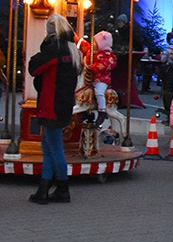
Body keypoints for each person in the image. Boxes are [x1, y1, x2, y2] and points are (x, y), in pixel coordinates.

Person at [28, 14, 82, 204]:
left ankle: (61, 186)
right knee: (48, 146)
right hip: (64, 104)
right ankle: (43, 189)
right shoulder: (72, 50)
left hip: (51, 104)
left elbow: (34, 68)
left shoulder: (54, 50)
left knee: (55, 148)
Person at [86, 30, 117, 127]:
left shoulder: (108, 56)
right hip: (93, 78)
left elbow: (104, 65)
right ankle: (86, 112)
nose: (93, 44)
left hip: (102, 79)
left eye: (95, 42)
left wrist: (91, 67)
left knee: (99, 92)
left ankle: (102, 110)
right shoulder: (95, 53)